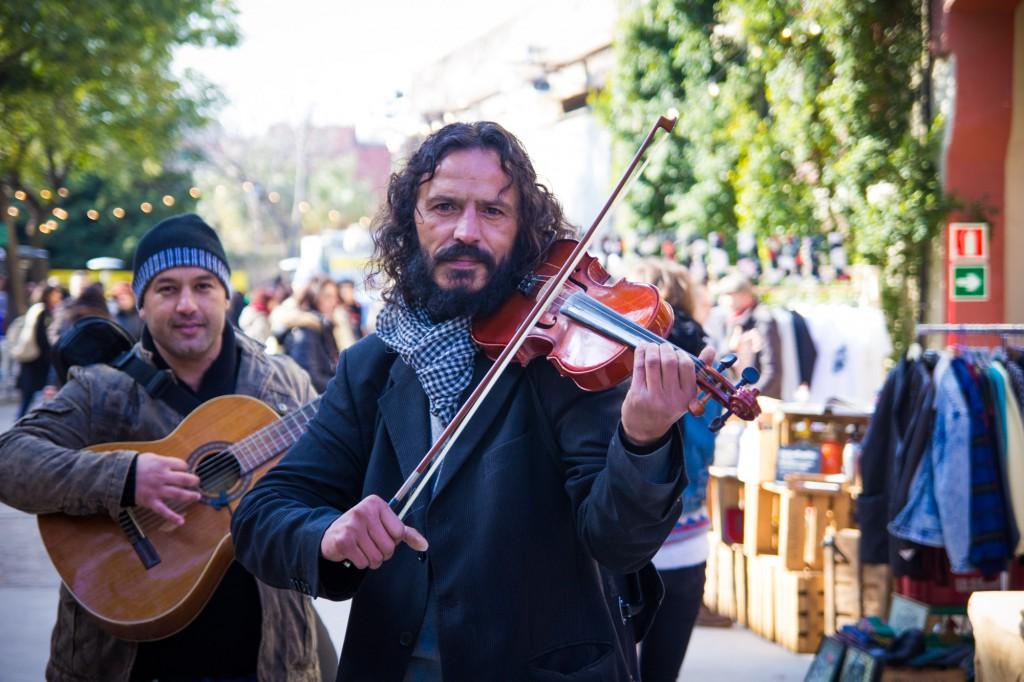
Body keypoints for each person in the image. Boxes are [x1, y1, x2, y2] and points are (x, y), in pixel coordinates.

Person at [230, 121, 713, 681]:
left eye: (493, 211)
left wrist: (643, 439)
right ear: (411, 221)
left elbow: (617, 541)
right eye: (444, 206)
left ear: (524, 229)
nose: (466, 230)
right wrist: (327, 533)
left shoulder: (562, 360)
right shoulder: (375, 364)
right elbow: (261, 516)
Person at [0, 214, 331, 681]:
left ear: (227, 295)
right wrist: (126, 478)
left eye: (203, 285)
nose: (187, 305)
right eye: (167, 289)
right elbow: (10, 459)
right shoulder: (102, 390)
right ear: (140, 303)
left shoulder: (285, 385)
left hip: (266, 660)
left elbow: (335, 478)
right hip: (123, 662)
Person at [629, 259, 726, 682]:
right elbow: (707, 439)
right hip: (688, 540)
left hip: (625, 543)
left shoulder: (625, 352)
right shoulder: (706, 355)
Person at [716, 272, 782, 399]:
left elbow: (771, 371)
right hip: (738, 395)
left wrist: (748, 396)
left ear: (745, 295)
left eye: (729, 294)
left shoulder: (763, 320)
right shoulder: (731, 319)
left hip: (759, 399)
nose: (723, 300)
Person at [272, 277, 342, 393]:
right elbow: (310, 379)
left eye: (335, 296)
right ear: (313, 298)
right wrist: (342, 389)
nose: (334, 302)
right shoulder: (306, 332)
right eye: (328, 296)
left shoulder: (323, 326)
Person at [11, 283, 63, 417]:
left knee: (31, 396)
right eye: (55, 294)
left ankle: (22, 422)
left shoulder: (40, 309)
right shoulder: (41, 310)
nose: (58, 297)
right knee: (29, 396)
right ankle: (20, 423)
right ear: (47, 295)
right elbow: (40, 337)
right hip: (35, 360)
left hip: (34, 359)